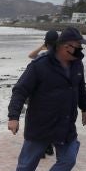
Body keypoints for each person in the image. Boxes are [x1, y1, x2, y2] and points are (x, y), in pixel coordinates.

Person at [7, 26, 86, 171]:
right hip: (41, 122)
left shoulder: (77, 64)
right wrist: (13, 116)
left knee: (68, 159)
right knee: (27, 163)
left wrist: (85, 108)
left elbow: (81, 87)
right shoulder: (40, 65)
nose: (80, 50)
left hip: (66, 122)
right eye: (78, 46)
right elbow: (20, 91)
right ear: (65, 46)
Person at [27, 30, 59, 158]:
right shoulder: (61, 55)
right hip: (55, 94)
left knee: (40, 122)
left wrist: (42, 46)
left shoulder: (43, 57)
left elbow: (31, 56)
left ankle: (44, 148)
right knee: (50, 122)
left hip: (42, 94)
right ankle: (48, 147)